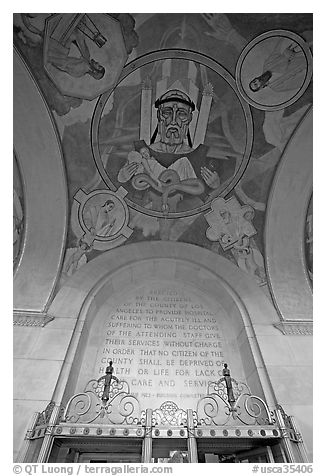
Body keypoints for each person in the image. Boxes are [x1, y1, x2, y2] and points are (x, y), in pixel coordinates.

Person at [118, 89, 220, 190]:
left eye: (181, 114)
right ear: (159, 116)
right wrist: (123, 178)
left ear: (189, 118)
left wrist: (215, 185)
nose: (173, 121)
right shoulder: (142, 151)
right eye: (167, 112)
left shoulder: (199, 155)